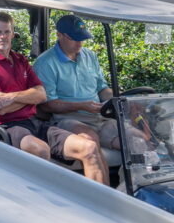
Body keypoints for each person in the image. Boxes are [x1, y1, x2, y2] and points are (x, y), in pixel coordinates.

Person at [0, 11, 106, 183]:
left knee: (89, 148)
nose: (3, 37)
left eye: (7, 32)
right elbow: (1, 109)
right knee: (41, 150)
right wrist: (29, 99)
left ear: (13, 33)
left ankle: (100, 206)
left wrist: (11, 97)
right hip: (8, 127)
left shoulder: (20, 60)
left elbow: (42, 95)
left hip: (35, 122)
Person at [33, 15, 151, 161]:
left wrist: (124, 100)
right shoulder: (45, 63)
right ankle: (96, 183)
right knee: (90, 139)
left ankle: (128, 183)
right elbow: (47, 105)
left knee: (139, 140)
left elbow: (102, 89)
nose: (79, 43)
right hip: (67, 119)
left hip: (100, 116)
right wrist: (82, 106)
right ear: (59, 35)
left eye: (81, 38)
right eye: (74, 38)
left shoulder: (90, 56)